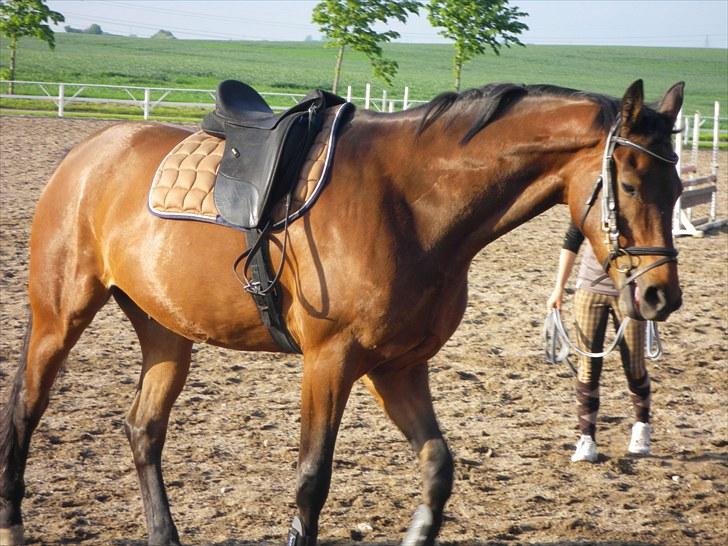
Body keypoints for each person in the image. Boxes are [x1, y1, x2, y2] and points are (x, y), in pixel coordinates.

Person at [547, 222, 652, 462]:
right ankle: (587, 439)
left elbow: (654, 243)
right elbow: (572, 238)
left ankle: (642, 426)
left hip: (629, 291)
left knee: (634, 366)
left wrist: (644, 282)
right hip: (589, 289)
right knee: (588, 366)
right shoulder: (592, 202)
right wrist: (558, 288)